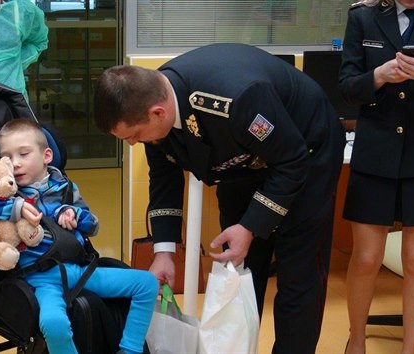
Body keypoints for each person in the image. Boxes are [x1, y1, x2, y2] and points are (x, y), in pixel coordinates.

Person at [94, 43, 346, 354]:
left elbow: (291, 161)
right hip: (243, 164)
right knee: (237, 273)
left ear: (157, 112)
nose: (132, 144)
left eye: (132, 136)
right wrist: (164, 252)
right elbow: (164, 178)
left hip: (305, 153)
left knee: (298, 276)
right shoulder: (148, 102)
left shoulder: (236, 98)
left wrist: (251, 226)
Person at [0, 119, 158, 354]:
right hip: (41, 279)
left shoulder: (66, 188)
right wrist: (15, 208)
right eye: (8, 158)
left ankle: (130, 349)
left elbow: (93, 226)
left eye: (24, 154)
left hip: (80, 270)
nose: (16, 164)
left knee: (147, 284)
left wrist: (75, 214)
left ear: (47, 156)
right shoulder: (3, 193)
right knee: (54, 323)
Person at [339, 1, 414, 353]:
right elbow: (346, 87)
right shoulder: (363, 17)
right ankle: (356, 343)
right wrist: (379, 76)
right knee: (367, 258)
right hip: (376, 154)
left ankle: (409, 350)